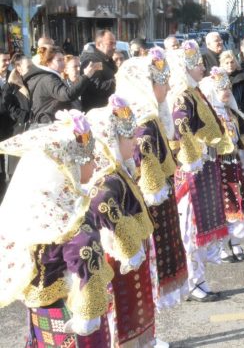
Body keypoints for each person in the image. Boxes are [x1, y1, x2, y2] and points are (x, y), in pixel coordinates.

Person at [0, 111, 115, 346]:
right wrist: (90, 309)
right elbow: (85, 258)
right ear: (68, 164)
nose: (95, 164)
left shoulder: (36, 207)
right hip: (72, 310)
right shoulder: (69, 218)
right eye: (88, 158)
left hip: (40, 307)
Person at [114, 50, 189, 313]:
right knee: (147, 270)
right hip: (145, 206)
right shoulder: (141, 124)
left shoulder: (150, 116)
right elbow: (144, 171)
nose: (168, 87)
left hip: (155, 200)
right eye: (162, 81)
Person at [86, 95, 159, 347]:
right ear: (111, 141)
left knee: (137, 301)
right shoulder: (106, 178)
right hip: (118, 257)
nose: (133, 142)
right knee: (123, 305)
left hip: (132, 248)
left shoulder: (119, 170)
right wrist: (128, 243)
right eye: (128, 138)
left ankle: (140, 341)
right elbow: (103, 206)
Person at [167, 39, 231, 302]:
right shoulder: (182, 95)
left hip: (203, 167)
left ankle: (198, 279)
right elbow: (180, 129)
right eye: (197, 65)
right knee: (190, 228)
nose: (203, 68)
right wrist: (197, 149)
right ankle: (193, 282)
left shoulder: (193, 92)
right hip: (191, 169)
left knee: (198, 226)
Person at [199, 67, 244, 263]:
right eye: (222, 88)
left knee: (238, 201)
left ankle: (236, 241)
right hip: (217, 165)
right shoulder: (208, 115)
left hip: (234, 164)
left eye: (228, 88)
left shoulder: (232, 112)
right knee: (221, 205)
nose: (227, 92)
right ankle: (219, 245)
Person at [24, 45, 99, 124]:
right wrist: (86, 76)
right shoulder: (48, 79)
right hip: (47, 122)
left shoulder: (49, 77)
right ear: (48, 62)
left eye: (63, 59)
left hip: (49, 120)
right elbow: (67, 95)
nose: (63, 63)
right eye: (59, 60)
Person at [80, 29, 118, 111]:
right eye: (110, 43)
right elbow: (97, 87)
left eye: (115, 43)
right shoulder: (92, 61)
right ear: (98, 45)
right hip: (97, 112)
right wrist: (119, 80)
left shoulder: (108, 60)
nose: (114, 47)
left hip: (109, 110)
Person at [220, 50, 244, 116]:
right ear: (222, 64)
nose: (230, 65)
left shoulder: (243, 77)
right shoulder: (220, 79)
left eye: (232, 62)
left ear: (236, 63)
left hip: (241, 113)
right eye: (227, 63)